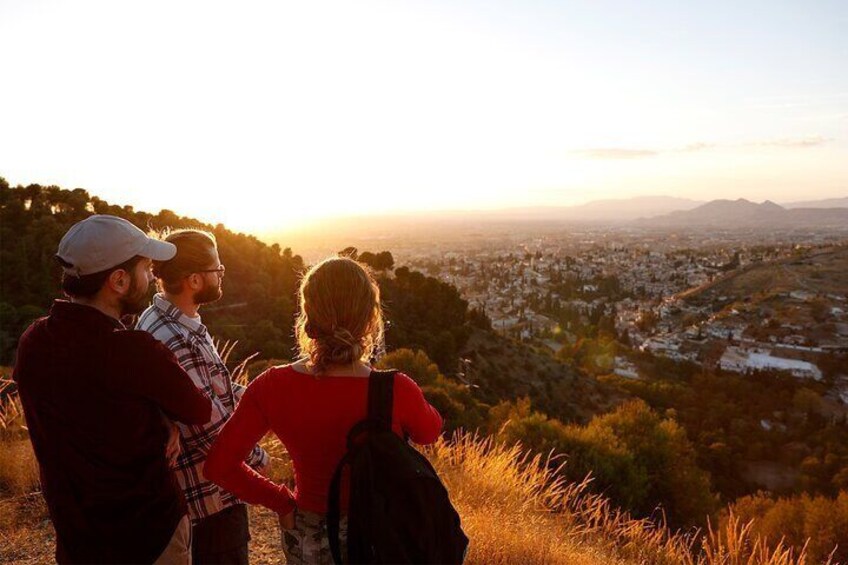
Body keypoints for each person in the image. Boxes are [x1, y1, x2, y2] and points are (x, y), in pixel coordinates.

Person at [204, 256, 443, 565]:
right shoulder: (395, 388)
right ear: (370, 318)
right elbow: (430, 432)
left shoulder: (272, 386)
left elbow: (219, 465)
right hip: (382, 530)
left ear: (308, 315)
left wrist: (282, 503)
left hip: (309, 531)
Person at [12, 215, 213, 564]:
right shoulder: (134, 351)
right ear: (118, 280)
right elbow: (199, 409)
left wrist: (158, 413)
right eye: (146, 268)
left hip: (78, 541)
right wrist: (167, 415)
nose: (151, 277)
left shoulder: (34, 343)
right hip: (149, 536)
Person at [137, 228, 270, 565]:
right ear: (194, 280)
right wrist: (260, 460)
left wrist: (264, 401)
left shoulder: (165, 319)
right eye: (217, 269)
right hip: (209, 502)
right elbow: (208, 430)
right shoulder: (175, 339)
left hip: (203, 497)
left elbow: (216, 391)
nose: (222, 274)